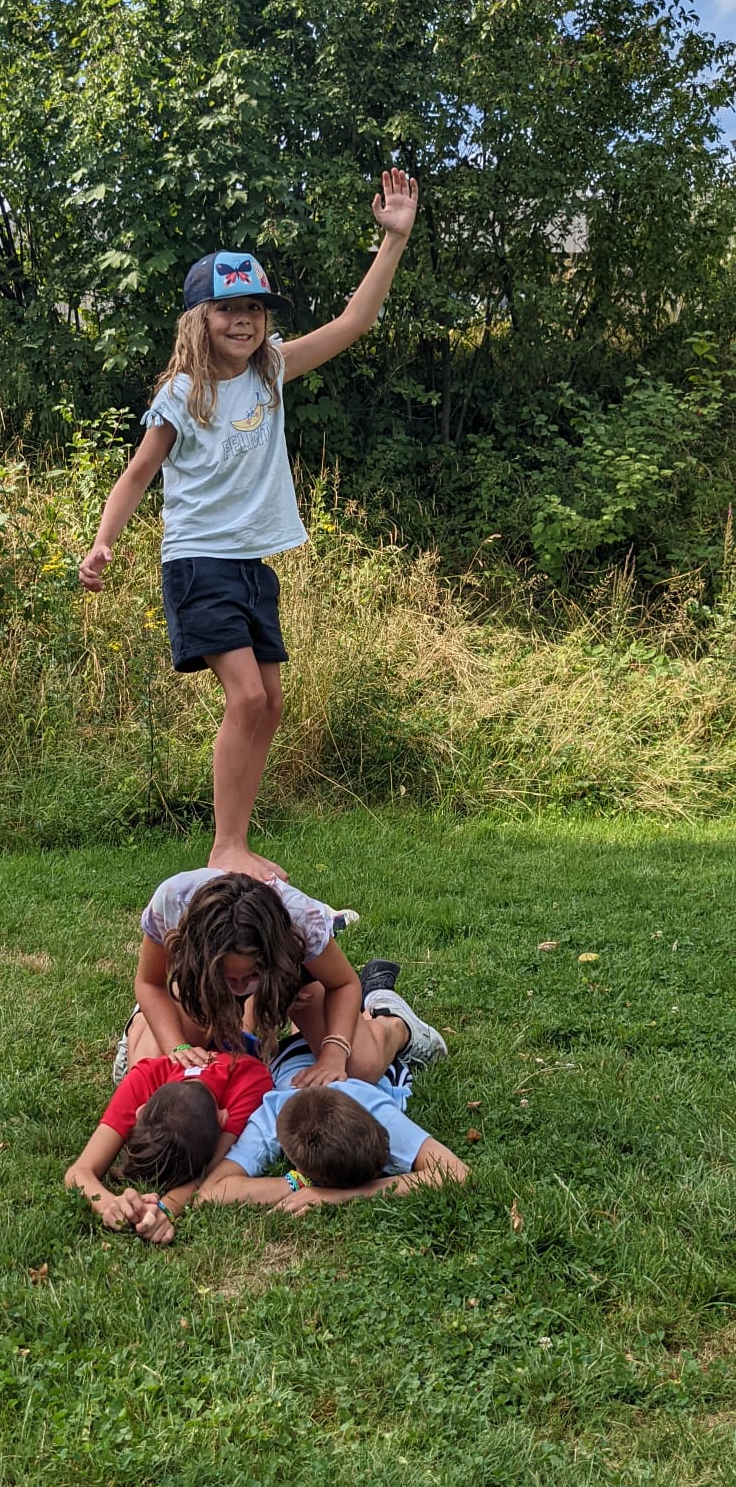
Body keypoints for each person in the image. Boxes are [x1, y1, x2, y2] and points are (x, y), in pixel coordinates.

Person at [78, 171, 420, 883]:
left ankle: (237, 839)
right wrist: (105, 540)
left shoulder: (269, 372)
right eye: (228, 309)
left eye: (255, 310)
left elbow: (353, 324)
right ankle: (225, 847)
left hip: (250, 566)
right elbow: (139, 473)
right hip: (197, 561)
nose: (244, 322)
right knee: (249, 697)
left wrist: (392, 241)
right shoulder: (182, 392)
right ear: (198, 319)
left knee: (271, 704)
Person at [117, 868, 446, 1096]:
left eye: (251, 974)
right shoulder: (172, 900)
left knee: (361, 1066)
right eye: (230, 977)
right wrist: (177, 1046)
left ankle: (392, 1018)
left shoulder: (301, 919)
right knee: (152, 1078)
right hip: (198, 985)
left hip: (292, 983)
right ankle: (142, 1033)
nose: (240, 987)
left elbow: (343, 984)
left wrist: (334, 1052)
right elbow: (150, 984)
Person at [196, 1029, 469, 1212]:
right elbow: (210, 1193)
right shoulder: (271, 1115)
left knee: (371, 1027)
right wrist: (298, 1183)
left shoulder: (376, 1111)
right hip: (290, 1055)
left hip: (336, 1055)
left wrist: (342, 1195)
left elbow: (457, 1173)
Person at [64, 1046, 274, 1233]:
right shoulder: (144, 1076)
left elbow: (213, 1171)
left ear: (140, 1111)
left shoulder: (251, 1080)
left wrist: (166, 1207)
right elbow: (78, 1171)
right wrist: (107, 1204)